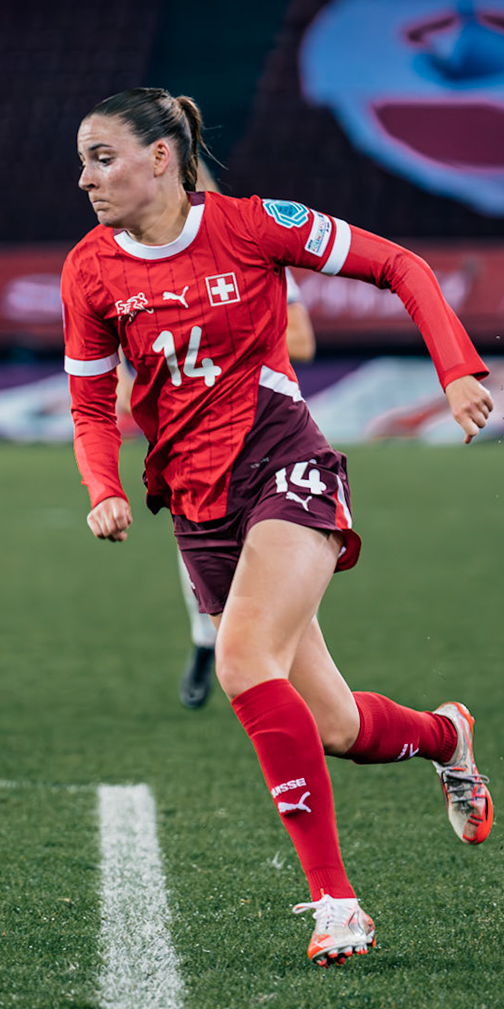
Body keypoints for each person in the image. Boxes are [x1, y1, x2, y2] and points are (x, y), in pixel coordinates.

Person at [62, 87, 495, 966]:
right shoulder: (89, 269)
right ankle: (446, 735)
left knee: (242, 661)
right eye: (81, 161)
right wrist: (104, 487)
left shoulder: (256, 226)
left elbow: (402, 266)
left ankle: (338, 904)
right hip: (195, 502)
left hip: (284, 463)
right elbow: (88, 402)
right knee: (339, 730)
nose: (86, 179)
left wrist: (457, 372)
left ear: (161, 156)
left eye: (102, 157)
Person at [120, 265, 315, 710]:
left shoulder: (257, 259)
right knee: (204, 560)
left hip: (266, 438)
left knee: (285, 552)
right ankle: (206, 642)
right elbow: (112, 376)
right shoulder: (131, 272)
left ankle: (284, 667)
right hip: (194, 450)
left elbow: (303, 343)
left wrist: (232, 348)